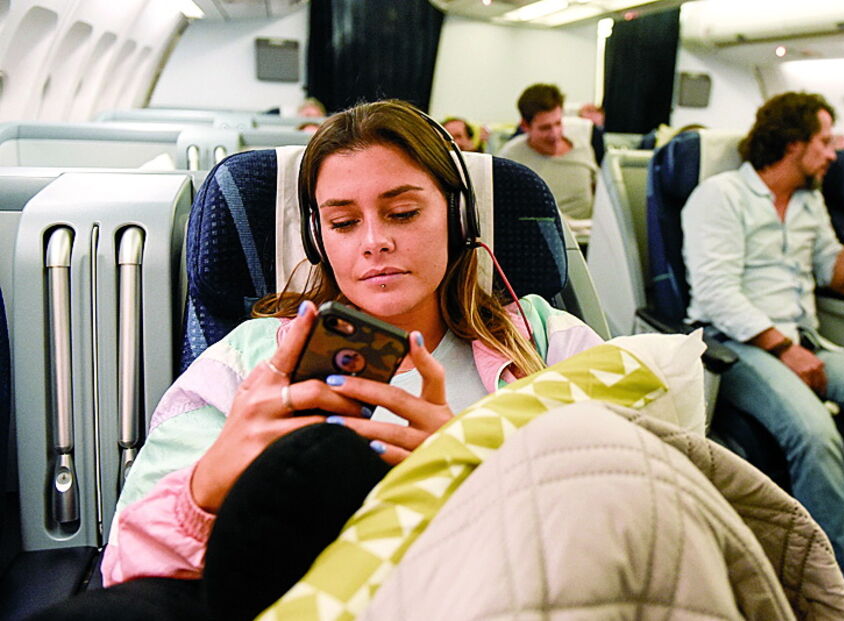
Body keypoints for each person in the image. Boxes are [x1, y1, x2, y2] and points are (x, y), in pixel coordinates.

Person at [32, 100, 602, 620]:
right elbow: (128, 572)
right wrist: (209, 484)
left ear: (457, 219)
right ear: (317, 237)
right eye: (344, 223)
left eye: (402, 213)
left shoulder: (547, 346)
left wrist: (479, 480)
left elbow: (637, 514)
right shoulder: (248, 363)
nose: (374, 241)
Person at [681, 91, 844, 619]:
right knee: (816, 436)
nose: (833, 153)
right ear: (793, 143)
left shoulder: (810, 200)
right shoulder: (720, 195)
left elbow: (836, 277)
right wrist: (784, 350)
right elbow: (716, 293)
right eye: (824, 141)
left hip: (806, 337)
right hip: (735, 343)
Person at [497, 83, 599, 245]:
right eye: (545, 128)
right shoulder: (510, 158)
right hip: (542, 244)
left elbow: (597, 190)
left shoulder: (583, 146)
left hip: (591, 241)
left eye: (558, 123)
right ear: (525, 126)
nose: (555, 134)